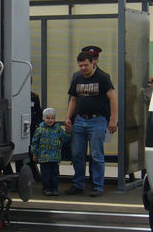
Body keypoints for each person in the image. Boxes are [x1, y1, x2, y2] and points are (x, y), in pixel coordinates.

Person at [64, 50, 117, 197]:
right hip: (80, 120)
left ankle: (98, 186)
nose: (83, 68)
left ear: (92, 63)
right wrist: (68, 117)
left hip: (98, 121)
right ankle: (78, 184)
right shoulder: (77, 78)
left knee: (96, 155)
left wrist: (112, 120)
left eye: (85, 65)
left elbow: (112, 98)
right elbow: (73, 99)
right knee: (77, 154)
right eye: (80, 65)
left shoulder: (103, 77)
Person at [30, 107, 69, 195]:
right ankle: (46, 188)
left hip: (55, 157)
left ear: (55, 119)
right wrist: (34, 153)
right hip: (44, 157)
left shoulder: (57, 128)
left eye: (52, 118)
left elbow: (64, 137)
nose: (50, 120)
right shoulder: (40, 129)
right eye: (48, 118)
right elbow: (34, 142)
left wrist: (69, 133)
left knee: (55, 174)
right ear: (44, 119)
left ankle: (55, 188)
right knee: (46, 174)